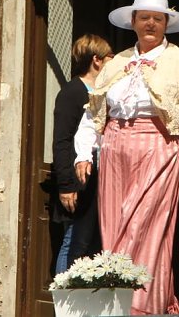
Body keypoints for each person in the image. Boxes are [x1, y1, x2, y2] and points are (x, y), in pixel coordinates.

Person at [74, 0, 179, 315]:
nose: (150, 24)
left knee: (145, 224)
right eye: (144, 17)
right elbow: (94, 111)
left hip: (159, 147)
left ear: (166, 24)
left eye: (157, 19)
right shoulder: (116, 63)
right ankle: (115, 303)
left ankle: (142, 307)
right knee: (116, 227)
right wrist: (83, 153)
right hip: (116, 147)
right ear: (133, 22)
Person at [51, 34, 114, 274]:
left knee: (93, 243)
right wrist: (66, 184)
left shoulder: (105, 90)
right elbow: (62, 140)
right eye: (110, 56)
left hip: (98, 175)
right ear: (97, 60)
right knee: (73, 241)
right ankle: (65, 304)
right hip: (79, 180)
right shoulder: (72, 92)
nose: (113, 61)